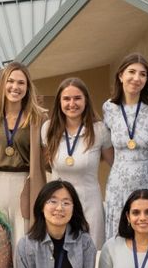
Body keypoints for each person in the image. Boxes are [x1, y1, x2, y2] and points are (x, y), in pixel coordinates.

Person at [101, 53, 148, 242]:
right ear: (120, 75)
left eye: (143, 74)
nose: (136, 78)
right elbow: (106, 145)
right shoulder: (109, 108)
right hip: (118, 186)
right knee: (120, 241)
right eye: (131, 72)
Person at [0, 62, 46, 246]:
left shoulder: (38, 119)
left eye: (21, 83)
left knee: (23, 239)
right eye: (11, 81)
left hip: (23, 183)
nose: (15, 87)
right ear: (3, 85)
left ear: (28, 87)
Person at [41, 78, 112, 248]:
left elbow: (116, 164)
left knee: (90, 252)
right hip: (58, 207)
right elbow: (44, 164)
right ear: (59, 102)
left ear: (86, 100)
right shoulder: (48, 129)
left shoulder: (99, 130)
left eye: (77, 98)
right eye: (66, 99)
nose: (72, 104)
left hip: (89, 205)